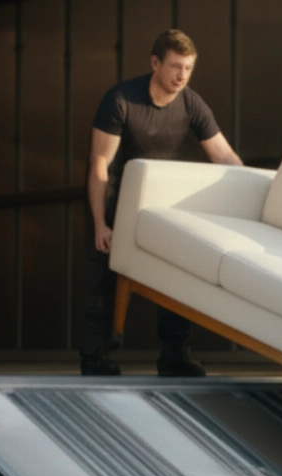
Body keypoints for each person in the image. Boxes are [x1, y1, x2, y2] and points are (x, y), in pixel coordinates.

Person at [80, 29, 242, 376]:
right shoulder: (121, 99)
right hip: (115, 204)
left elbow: (225, 156)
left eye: (187, 68)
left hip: (164, 208)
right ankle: (95, 357)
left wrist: (257, 194)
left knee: (177, 278)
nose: (181, 76)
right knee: (104, 283)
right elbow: (98, 164)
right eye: (174, 67)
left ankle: (175, 357)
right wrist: (99, 223)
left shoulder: (191, 103)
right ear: (155, 63)